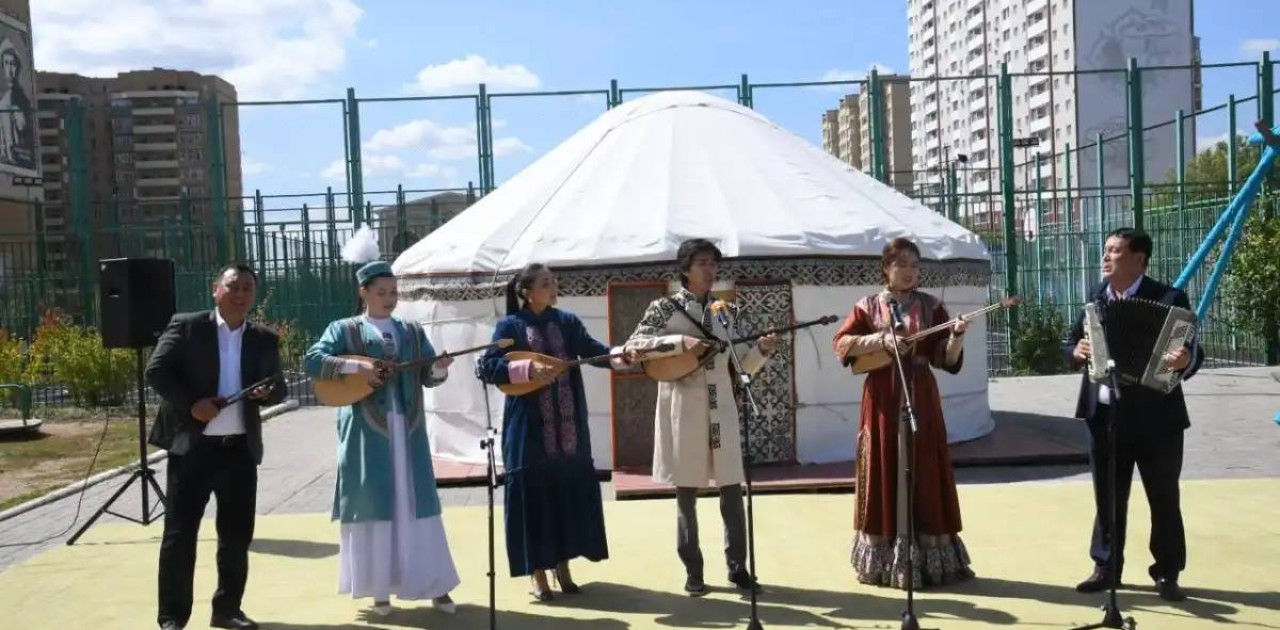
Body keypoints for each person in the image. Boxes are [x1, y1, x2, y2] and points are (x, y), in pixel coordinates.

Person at [302, 256, 461, 616]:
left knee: (416, 501)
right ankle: (379, 591)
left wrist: (438, 368)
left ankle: (435, 585)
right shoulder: (344, 329)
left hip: (408, 430)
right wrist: (357, 366)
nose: (390, 298)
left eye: (393, 292)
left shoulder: (411, 330)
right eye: (382, 292)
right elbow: (312, 360)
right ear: (364, 292)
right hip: (366, 433)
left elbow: (428, 376)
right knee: (374, 502)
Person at [622, 238, 778, 597]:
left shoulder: (727, 311)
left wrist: (762, 350)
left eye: (713, 263)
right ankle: (693, 571)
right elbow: (635, 346)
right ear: (685, 269)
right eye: (702, 263)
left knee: (731, 488)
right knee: (687, 491)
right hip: (684, 408)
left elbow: (742, 366)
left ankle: (738, 568)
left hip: (721, 407)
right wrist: (681, 344)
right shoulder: (664, 308)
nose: (710, 270)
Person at [146, 263, 287, 630]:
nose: (240, 294)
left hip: (239, 450)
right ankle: (172, 617)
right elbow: (156, 372)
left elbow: (279, 386)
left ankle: (227, 609)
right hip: (193, 448)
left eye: (247, 288)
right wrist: (192, 404)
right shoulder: (187, 326)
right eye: (233, 286)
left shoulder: (264, 338)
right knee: (180, 535)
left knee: (237, 536)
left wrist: (267, 393)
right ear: (216, 289)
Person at [477, 263, 627, 601]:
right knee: (534, 498)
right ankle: (537, 574)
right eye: (545, 283)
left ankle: (563, 566)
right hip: (529, 431)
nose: (553, 286)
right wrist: (526, 368)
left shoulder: (566, 322)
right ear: (527, 292)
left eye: (553, 281)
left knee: (564, 495)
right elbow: (489, 366)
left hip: (569, 427)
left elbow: (591, 350)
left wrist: (620, 355)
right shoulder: (510, 326)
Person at [1067, 227, 1202, 602]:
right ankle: (1106, 567)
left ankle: (1167, 573)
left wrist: (1185, 360)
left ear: (1139, 259)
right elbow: (1072, 341)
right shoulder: (1097, 296)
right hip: (1105, 415)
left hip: (1157, 418)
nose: (1105, 257)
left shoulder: (1169, 298)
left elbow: (1190, 350)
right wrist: (1075, 352)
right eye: (1106, 250)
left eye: (1114, 251)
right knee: (1108, 497)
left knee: (1164, 497)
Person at [831, 237, 974, 589]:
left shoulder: (932, 306)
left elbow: (945, 358)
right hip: (882, 397)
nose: (909, 272)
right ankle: (883, 560)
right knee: (883, 464)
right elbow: (842, 345)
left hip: (921, 396)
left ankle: (931, 559)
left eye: (915, 265)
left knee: (924, 466)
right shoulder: (867, 306)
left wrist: (956, 336)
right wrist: (881, 340)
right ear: (886, 268)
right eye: (902, 264)